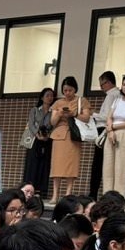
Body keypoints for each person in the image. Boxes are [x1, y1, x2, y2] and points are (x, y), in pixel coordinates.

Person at [48, 78, 91, 206]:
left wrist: (74, 114)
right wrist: (59, 114)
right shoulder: (57, 103)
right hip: (59, 135)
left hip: (73, 135)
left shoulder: (81, 101)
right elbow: (52, 122)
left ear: (75, 89)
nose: (67, 93)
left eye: (70, 90)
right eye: (65, 90)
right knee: (56, 166)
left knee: (71, 165)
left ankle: (68, 194)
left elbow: (87, 118)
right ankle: (55, 194)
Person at [88, 72, 120, 200]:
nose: (101, 87)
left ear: (108, 82)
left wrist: (92, 114)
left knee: (98, 164)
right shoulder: (115, 95)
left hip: (104, 129)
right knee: (103, 163)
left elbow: (107, 116)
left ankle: (93, 193)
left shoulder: (112, 95)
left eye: (102, 84)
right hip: (107, 129)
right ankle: (96, 193)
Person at [22, 88, 55, 195]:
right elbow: (31, 124)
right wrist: (37, 134)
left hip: (47, 140)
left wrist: (47, 135)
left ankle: (41, 190)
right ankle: (28, 188)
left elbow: (54, 124)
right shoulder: (35, 110)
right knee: (32, 163)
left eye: (51, 96)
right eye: (47, 95)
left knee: (44, 165)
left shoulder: (53, 111)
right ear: (42, 97)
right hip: (34, 140)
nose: (50, 98)